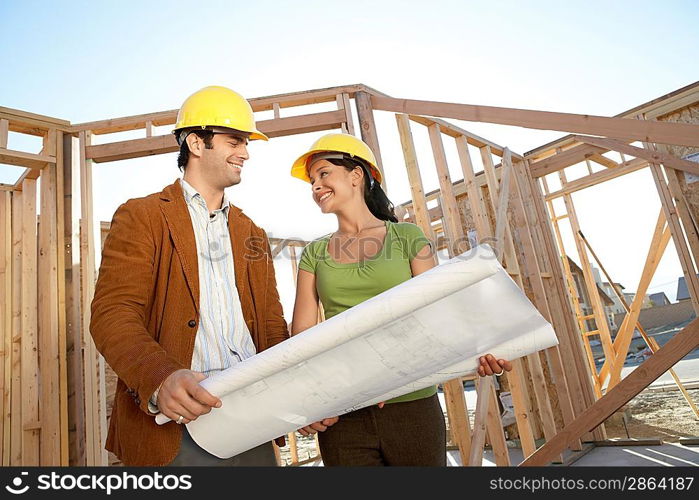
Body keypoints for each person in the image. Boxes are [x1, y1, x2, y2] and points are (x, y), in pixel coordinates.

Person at [90, 86, 304, 466]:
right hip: (178, 426)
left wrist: (296, 396)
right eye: (235, 140)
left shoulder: (250, 231)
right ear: (196, 143)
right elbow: (113, 313)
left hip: (253, 418)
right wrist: (160, 377)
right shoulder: (143, 216)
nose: (245, 152)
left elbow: (271, 325)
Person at [289, 133, 513, 466]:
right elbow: (302, 336)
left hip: (411, 406)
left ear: (356, 175)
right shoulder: (315, 253)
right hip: (343, 412)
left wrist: (479, 350)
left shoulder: (408, 237)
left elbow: (435, 314)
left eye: (323, 173)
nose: (315, 186)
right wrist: (310, 400)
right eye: (311, 180)